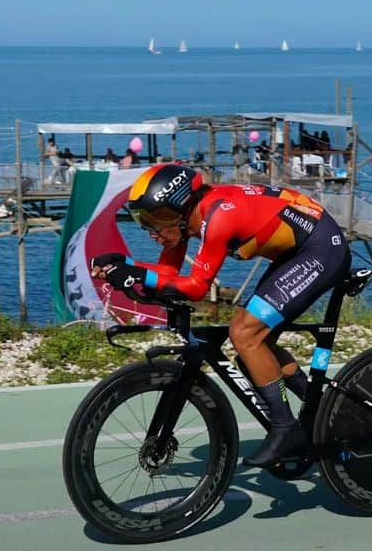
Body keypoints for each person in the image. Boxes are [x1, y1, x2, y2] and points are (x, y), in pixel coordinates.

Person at [91, 164, 350, 468]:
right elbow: (166, 274)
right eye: (144, 221)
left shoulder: (219, 216)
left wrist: (135, 274)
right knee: (253, 347)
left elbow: (197, 287)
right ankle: (322, 409)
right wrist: (124, 264)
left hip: (321, 249)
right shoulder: (188, 221)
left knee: (245, 335)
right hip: (295, 252)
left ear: (179, 208)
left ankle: (286, 427)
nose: (153, 231)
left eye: (156, 219)